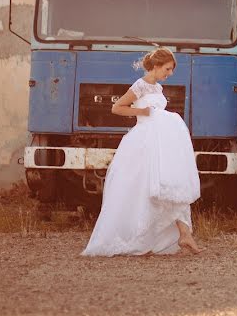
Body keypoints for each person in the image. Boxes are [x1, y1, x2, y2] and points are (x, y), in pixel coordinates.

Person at [82, 47, 203, 256]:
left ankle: (185, 233)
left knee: (169, 183)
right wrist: (142, 111)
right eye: (167, 69)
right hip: (144, 141)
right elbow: (117, 107)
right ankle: (145, 235)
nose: (170, 74)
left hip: (160, 141)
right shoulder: (140, 86)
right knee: (145, 188)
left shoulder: (158, 88)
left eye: (171, 69)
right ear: (156, 67)